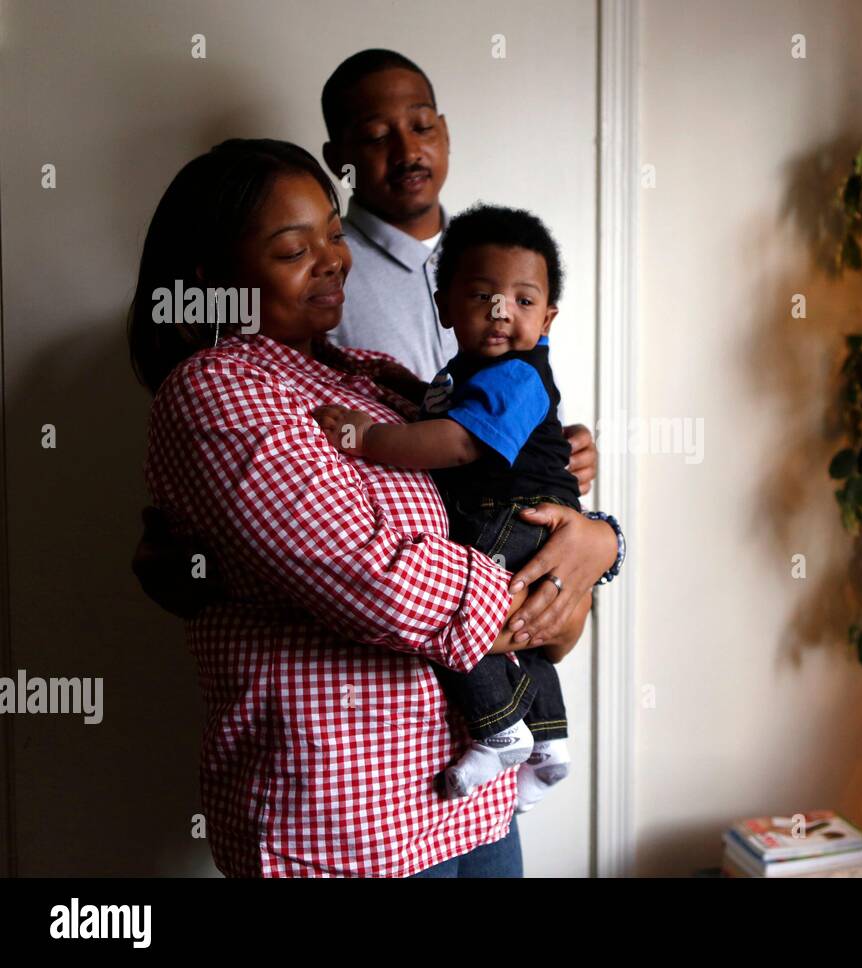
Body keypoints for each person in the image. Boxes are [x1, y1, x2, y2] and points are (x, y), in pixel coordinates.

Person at [128, 139, 621, 877]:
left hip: (468, 800)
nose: (333, 260)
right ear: (213, 279)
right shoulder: (217, 391)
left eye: (333, 232)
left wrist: (598, 543)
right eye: (296, 249)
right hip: (349, 823)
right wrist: (555, 594)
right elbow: (380, 579)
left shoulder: (376, 379)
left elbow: (499, 499)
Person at [314, 204, 600, 812]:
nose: (502, 313)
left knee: (457, 612)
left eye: (523, 302)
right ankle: (548, 742)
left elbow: (459, 443)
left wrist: (366, 439)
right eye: (482, 297)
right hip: (518, 514)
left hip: (515, 514)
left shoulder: (516, 377)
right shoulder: (462, 373)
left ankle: (499, 731)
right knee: (516, 627)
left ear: (548, 318)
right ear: (444, 306)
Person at [317, 48, 597, 491]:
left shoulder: (512, 261)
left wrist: (568, 450)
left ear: (444, 132)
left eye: (423, 127)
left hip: (512, 525)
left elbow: (515, 408)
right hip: (403, 537)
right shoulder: (325, 273)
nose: (408, 152)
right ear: (337, 160)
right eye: (375, 136)